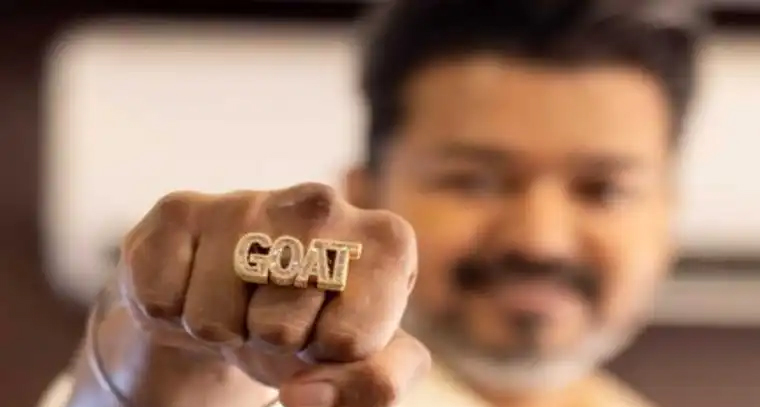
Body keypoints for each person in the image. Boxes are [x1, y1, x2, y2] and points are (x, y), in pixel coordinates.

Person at [39, 1, 702, 406]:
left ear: (669, 213)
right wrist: (168, 366)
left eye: (603, 189)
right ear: (365, 192)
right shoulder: (269, 392)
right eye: (473, 180)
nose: (540, 238)